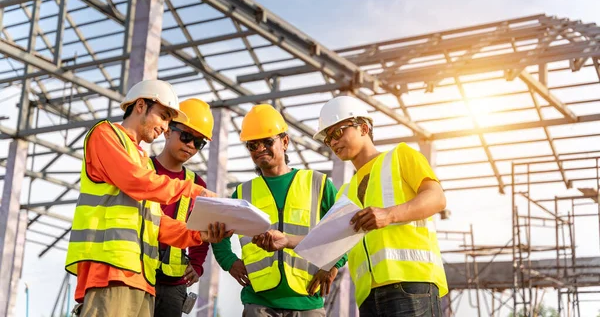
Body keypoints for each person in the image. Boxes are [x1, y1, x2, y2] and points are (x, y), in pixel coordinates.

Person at [254, 96, 448, 316]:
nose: (333, 142)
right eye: (328, 139)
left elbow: (436, 198)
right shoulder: (347, 191)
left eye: (337, 132)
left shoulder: (401, 156)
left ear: (364, 128)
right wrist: (288, 241)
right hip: (368, 295)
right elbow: (331, 239)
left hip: (412, 284)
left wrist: (389, 215)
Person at [65, 79, 231, 317]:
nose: (165, 127)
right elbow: (136, 181)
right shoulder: (106, 135)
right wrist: (194, 190)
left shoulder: (141, 160)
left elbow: (156, 224)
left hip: (142, 280)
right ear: (141, 105)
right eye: (163, 116)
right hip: (111, 274)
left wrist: (199, 236)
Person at [212, 104, 346, 317]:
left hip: (307, 300)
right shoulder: (242, 193)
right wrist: (229, 262)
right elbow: (217, 232)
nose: (260, 149)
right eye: (252, 145)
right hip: (259, 302)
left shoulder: (317, 184)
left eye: (267, 141)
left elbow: (344, 227)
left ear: (284, 142)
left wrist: (334, 263)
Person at [150, 98, 214, 317]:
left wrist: (196, 264)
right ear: (167, 130)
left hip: (174, 283)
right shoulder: (143, 170)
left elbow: (202, 230)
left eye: (199, 143)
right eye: (186, 136)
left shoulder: (198, 185)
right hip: (137, 275)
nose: (191, 146)